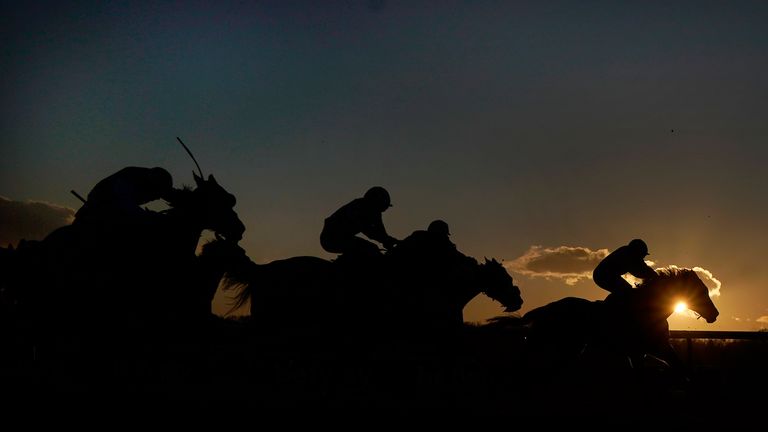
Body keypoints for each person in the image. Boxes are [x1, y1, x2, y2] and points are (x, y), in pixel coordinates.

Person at [73, 166, 175, 229]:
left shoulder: (142, 180)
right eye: (156, 194)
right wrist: (150, 217)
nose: (156, 198)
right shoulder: (128, 180)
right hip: (96, 215)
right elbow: (125, 205)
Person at [320, 186, 399, 260]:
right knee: (369, 248)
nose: (383, 211)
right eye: (382, 207)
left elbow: (381, 231)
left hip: (342, 237)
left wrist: (388, 240)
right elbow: (367, 229)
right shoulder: (358, 207)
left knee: (369, 248)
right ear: (375, 203)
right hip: (331, 238)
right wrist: (386, 240)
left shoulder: (375, 212)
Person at [593, 238, 658, 296]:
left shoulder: (628, 252)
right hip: (603, 275)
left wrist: (653, 275)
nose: (643, 257)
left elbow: (642, 267)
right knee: (626, 291)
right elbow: (639, 271)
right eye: (643, 254)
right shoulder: (629, 254)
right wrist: (654, 276)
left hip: (605, 275)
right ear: (638, 251)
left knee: (625, 290)